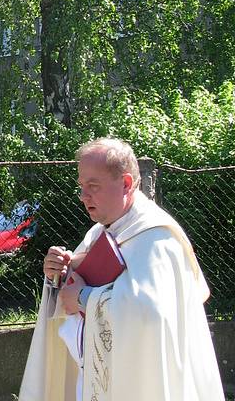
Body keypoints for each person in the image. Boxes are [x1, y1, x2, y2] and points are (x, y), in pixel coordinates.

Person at [19, 137, 225, 401]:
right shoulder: (98, 233)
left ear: (126, 184)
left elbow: (149, 314)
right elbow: (71, 296)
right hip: (96, 379)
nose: (84, 197)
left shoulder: (156, 237)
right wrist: (57, 275)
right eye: (82, 187)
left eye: (93, 186)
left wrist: (84, 297)